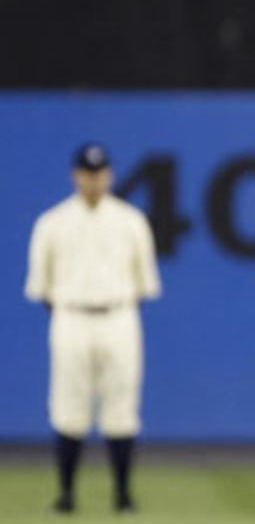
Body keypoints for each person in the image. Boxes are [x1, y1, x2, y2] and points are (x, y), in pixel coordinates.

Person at [24, 143, 161, 514]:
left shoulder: (131, 221)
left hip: (119, 315)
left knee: (122, 406)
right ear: (75, 176)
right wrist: (71, 310)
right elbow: (41, 287)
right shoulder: (52, 223)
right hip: (71, 316)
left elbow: (145, 283)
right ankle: (66, 493)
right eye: (87, 173)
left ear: (110, 175)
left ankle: (123, 493)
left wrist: (114, 306)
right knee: (69, 407)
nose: (94, 180)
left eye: (100, 173)